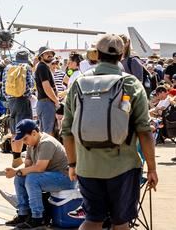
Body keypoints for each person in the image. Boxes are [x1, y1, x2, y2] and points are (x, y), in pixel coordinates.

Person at [62, 34, 158, 230]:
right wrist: (152, 168)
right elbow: (145, 131)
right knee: (120, 222)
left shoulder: (78, 83)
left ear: (96, 54)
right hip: (123, 166)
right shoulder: (130, 84)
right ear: (122, 54)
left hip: (87, 166)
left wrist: (72, 164)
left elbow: (66, 130)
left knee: (92, 219)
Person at [4, 119, 74, 229]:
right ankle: (23, 214)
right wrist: (16, 172)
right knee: (19, 178)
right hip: (50, 176)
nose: (25, 142)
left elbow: (39, 168)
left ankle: (38, 217)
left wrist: (16, 172)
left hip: (65, 178)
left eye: (25, 138)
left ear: (34, 133)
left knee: (32, 179)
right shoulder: (31, 144)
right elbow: (27, 166)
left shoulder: (46, 143)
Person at [2, 50, 35, 168]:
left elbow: (3, 87)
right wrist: (30, 95)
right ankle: (24, 160)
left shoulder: (7, 67)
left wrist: (8, 98)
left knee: (14, 131)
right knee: (26, 130)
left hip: (11, 101)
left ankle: (15, 158)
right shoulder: (26, 67)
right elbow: (29, 85)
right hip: (22, 100)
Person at [34, 46, 59, 135]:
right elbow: (47, 87)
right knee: (48, 134)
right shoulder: (42, 67)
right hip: (46, 103)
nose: (50, 55)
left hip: (44, 103)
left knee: (44, 133)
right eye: (46, 53)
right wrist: (56, 101)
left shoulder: (42, 67)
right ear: (41, 56)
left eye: (51, 53)